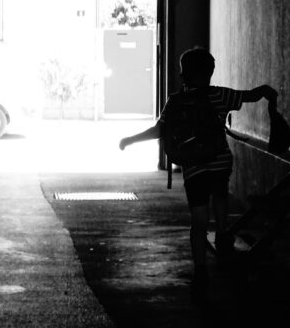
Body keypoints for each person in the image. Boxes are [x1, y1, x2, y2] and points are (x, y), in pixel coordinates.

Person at [118, 46, 277, 304]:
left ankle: (200, 270)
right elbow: (250, 96)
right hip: (220, 161)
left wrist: (130, 140)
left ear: (183, 74)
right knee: (220, 195)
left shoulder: (176, 101)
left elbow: (159, 130)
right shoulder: (220, 96)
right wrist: (266, 91)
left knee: (199, 219)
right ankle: (224, 232)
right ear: (210, 72)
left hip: (194, 167)